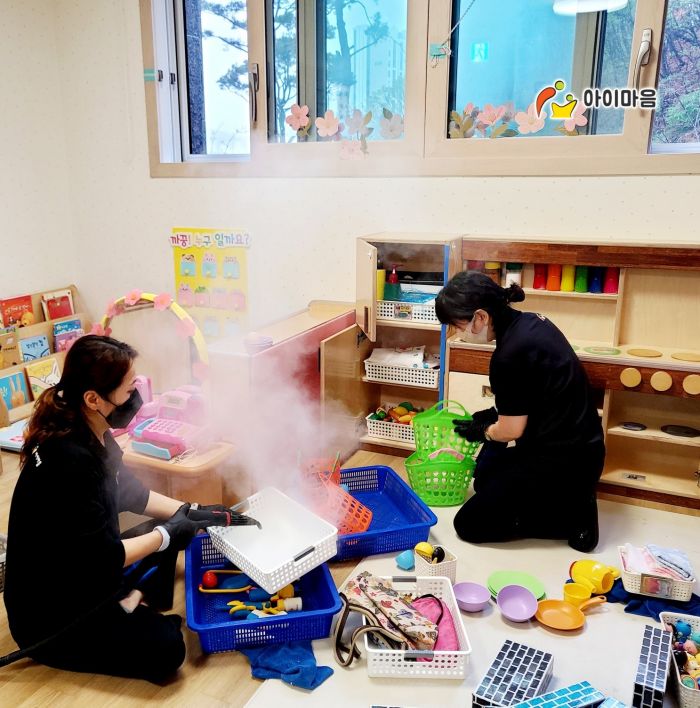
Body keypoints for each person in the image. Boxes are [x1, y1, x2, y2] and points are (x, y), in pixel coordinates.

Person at [4, 335, 227, 682]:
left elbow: (133, 494)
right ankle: (131, 605)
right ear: (93, 398)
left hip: (82, 569)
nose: (135, 397)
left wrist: (192, 510)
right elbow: (103, 557)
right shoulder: (69, 461)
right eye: (128, 390)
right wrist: (167, 535)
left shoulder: (90, 431)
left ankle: (134, 601)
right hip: (51, 617)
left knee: (165, 527)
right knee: (169, 649)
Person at [435, 272, 605, 552]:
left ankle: (572, 517)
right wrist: (491, 417)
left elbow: (511, 430)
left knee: (468, 524)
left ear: (480, 317)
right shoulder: (531, 322)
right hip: (582, 448)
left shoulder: (509, 355)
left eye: (457, 324)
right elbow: (532, 396)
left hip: (563, 461)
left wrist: (485, 431)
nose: (456, 332)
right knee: (485, 478)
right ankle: (570, 498)